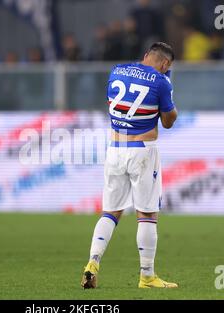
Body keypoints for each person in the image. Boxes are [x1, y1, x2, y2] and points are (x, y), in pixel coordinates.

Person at [81, 42, 178, 289]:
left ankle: (92, 262)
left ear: (146, 55)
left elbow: (113, 106)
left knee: (110, 212)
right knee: (146, 214)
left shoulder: (117, 70)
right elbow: (168, 122)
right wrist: (166, 89)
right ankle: (147, 276)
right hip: (142, 151)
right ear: (166, 64)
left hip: (115, 148)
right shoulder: (162, 82)